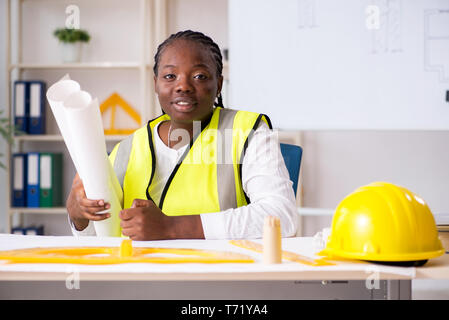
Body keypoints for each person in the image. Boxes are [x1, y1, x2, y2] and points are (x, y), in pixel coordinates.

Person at [67, 30, 298, 240]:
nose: (183, 86)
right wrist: (80, 218)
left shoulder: (248, 131)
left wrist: (172, 228)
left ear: (218, 85)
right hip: (143, 278)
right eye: (170, 76)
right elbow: (101, 241)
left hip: (224, 276)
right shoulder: (127, 149)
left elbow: (281, 217)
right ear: (156, 84)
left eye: (199, 76)